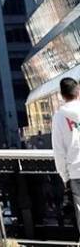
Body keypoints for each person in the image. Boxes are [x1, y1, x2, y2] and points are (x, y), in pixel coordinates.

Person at [54, 76, 80, 231]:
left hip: (76, 171)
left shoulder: (59, 117)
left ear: (62, 95)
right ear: (77, 92)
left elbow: (58, 150)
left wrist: (64, 177)